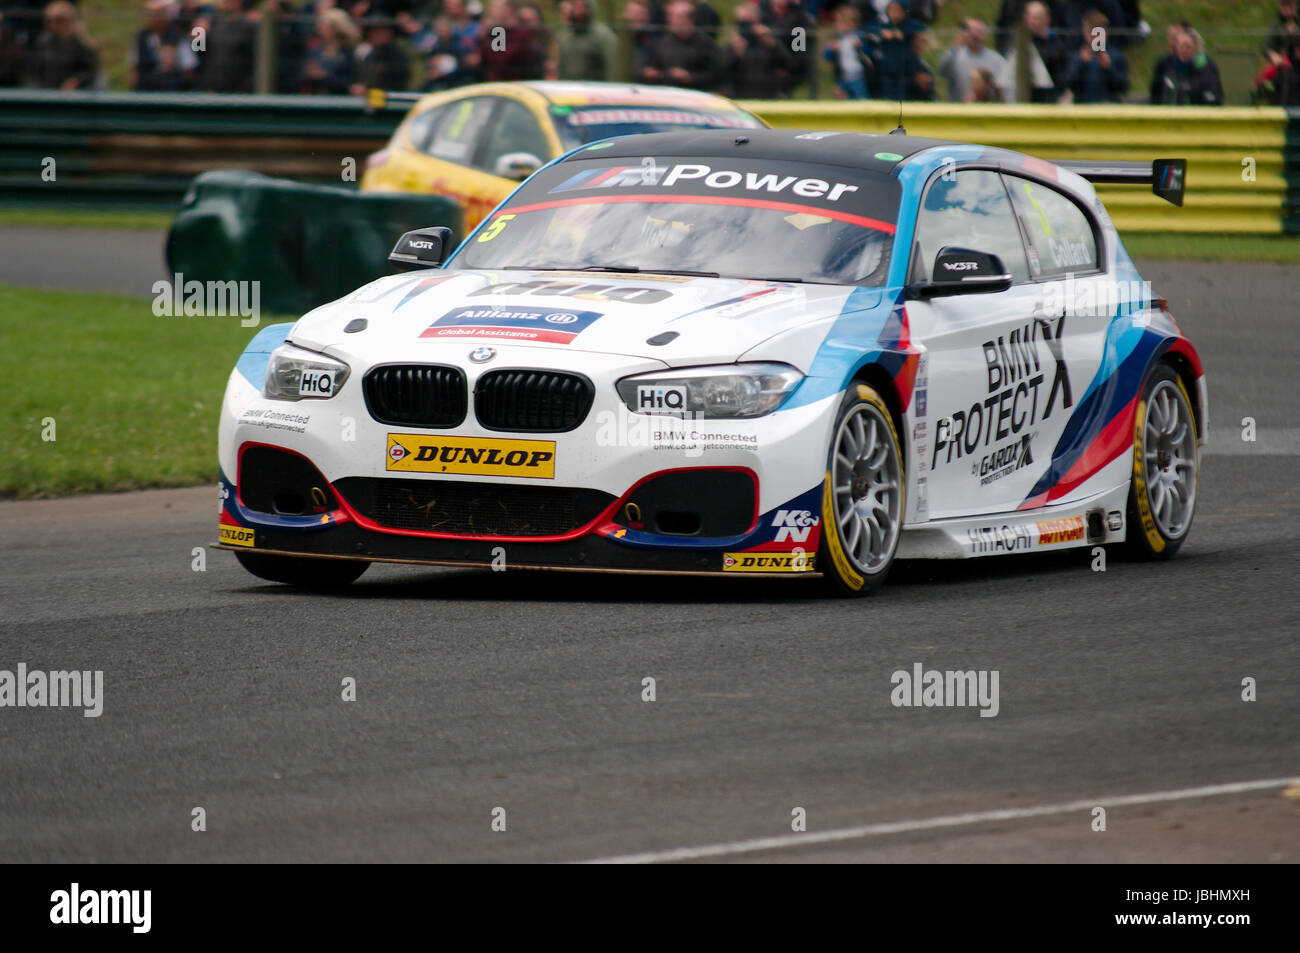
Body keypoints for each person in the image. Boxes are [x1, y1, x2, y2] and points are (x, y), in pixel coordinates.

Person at [635, 1, 715, 90]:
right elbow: (645, 67)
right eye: (670, 16)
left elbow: (714, 74)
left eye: (677, 17)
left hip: (694, 94)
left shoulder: (705, 44)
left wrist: (689, 77)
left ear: (690, 20)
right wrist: (650, 73)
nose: (671, 20)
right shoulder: (661, 43)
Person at [863, 0, 927, 101]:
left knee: (904, 98)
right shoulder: (884, 26)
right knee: (887, 98)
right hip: (887, 69)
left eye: (898, 10)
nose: (895, 14)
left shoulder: (910, 25)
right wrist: (882, 33)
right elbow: (868, 29)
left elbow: (920, 29)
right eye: (892, 10)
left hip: (905, 70)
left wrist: (904, 34)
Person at [721, 0, 787, 98]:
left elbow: (787, 64)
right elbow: (720, 72)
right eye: (740, 22)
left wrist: (772, 44)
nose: (745, 27)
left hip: (767, 95)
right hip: (739, 96)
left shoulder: (769, 42)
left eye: (748, 22)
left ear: (758, 21)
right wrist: (735, 54)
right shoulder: (732, 46)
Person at [1060, 10, 1126, 102]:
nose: (1095, 38)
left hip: (1107, 109)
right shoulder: (1077, 57)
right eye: (1091, 33)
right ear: (1085, 34)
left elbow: (1123, 87)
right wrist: (1081, 64)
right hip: (1082, 110)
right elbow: (1066, 85)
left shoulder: (1116, 56)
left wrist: (1109, 68)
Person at [131, 0, 199, 90]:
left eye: (156, 14)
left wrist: (173, 63)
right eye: (149, 14)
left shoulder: (178, 37)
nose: (152, 18)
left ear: (165, 15)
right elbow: (134, 69)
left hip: (172, 94)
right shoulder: (141, 37)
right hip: (145, 93)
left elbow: (189, 70)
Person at [28, 1, 97, 89]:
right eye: (49, 20)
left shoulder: (83, 45)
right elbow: (34, 72)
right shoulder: (42, 43)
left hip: (75, 95)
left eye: (59, 20)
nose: (53, 24)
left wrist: (76, 81)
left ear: (69, 20)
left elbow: (90, 72)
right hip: (46, 92)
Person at [937, 17, 1004, 102]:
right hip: (957, 110)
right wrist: (954, 46)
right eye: (971, 32)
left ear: (985, 35)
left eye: (979, 32)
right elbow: (941, 71)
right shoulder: (954, 55)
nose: (975, 36)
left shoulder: (997, 60)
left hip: (986, 111)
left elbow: (1003, 88)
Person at [1149, 27, 1222, 105]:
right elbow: (1156, 92)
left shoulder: (1206, 67)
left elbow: (1214, 96)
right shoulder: (1166, 64)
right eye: (1180, 46)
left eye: (1187, 46)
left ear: (1195, 47)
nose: (1183, 50)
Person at [197, 0, 256, 92]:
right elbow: (199, 53)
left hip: (239, 92)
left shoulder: (249, 26)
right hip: (213, 90)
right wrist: (198, 35)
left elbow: (254, 61)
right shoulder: (212, 24)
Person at [555, 0, 618, 81]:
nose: (577, 10)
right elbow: (561, 69)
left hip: (595, 89)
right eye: (574, 6)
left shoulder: (603, 36)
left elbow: (612, 67)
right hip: (569, 89)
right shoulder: (565, 37)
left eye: (581, 6)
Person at [301, 7, 358, 94]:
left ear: (335, 28)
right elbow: (301, 77)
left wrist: (324, 76)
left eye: (324, 26)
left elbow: (349, 81)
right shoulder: (313, 52)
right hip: (314, 100)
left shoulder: (348, 54)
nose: (320, 29)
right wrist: (309, 74)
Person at [762, 0, 812, 95]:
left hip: (791, 68)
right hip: (766, 68)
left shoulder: (799, 18)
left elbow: (799, 51)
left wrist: (773, 43)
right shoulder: (763, 15)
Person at [822, 3, 871, 99]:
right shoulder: (837, 39)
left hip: (858, 76)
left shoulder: (860, 36)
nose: (838, 26)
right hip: (842, 77)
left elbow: (869, 54)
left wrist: (860, 46)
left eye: (841, 23)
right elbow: (826, 56)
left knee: (861, 99)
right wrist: (831, 49)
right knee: (844, 101)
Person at [351, 16, 410, 91]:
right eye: (374, 32)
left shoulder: (397, 57)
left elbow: (397, 81)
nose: (377, 35)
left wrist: (368, 88)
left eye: (381, 32)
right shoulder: (368, 54)